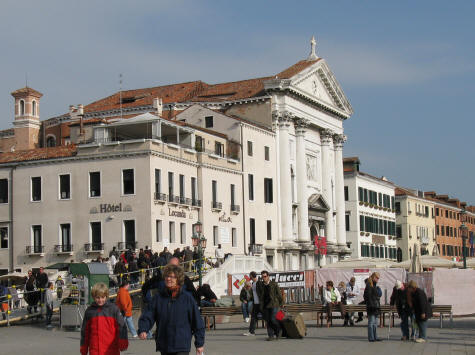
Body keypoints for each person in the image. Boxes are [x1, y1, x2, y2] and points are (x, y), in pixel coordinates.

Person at [138, 264, 205, 355]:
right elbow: (148, 314)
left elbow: (197, 321)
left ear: (178, 279)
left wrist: (199, 344)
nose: (169, 279)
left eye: (172, 277)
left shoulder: (187, 298)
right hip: (164, 344)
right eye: (167, 276)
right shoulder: (158, 297)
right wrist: (143, 329)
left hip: (181, 344)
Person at [80, 282, 128, 355]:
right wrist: (84, 347)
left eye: (102, 297)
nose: (100, 300)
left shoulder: (113, 309)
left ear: (106, 296)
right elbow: (85, 332)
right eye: (97, 297)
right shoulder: (89, 311)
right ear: (93, 297)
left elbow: (122, 327)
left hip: (111, 350)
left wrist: (123, 342)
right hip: (95, 350)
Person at [257, 270, 283, 341]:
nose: (264, 278)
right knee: (268, 321)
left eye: (265, 276)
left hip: (274, 304)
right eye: (262, 277)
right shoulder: (261, 285)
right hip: (265, 305)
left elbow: (279, 294)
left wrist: (282, 304)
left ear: (268, 276)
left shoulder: (274, 284)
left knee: (273, 319)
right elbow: (260, 295)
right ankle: (271, 335)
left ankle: (278, 330)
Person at [364, 272, 382, 342]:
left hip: (376, 306)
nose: (378, 279)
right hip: (371, 307)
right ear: (373, 277)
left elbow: (376, 295)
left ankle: (375, 337)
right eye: (377, 278)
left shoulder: (374, 285)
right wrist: (371, 305)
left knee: (375, 323)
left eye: (378, 278)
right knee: (371, 323)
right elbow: (367, 297)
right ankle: (371, 337)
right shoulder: (369, 285)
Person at [243, 271, 262, 336]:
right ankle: (251, 332)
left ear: (251, 276)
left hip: (260, 304)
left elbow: (261, 293)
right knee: (253, 317)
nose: (249, 277)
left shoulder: (258, 283)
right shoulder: (253, 283)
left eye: (249, 275)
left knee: (268, 317)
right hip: (256, 303)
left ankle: (276, 330)